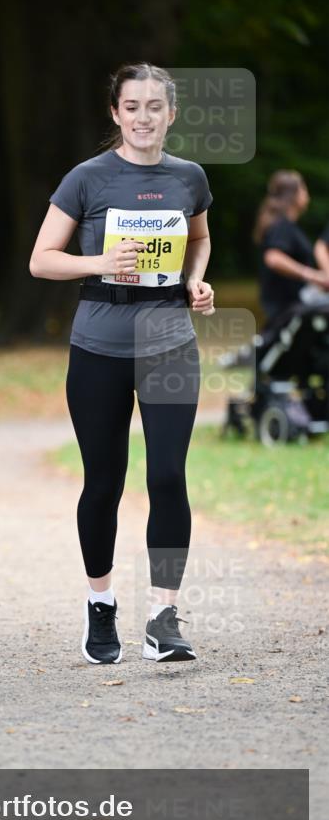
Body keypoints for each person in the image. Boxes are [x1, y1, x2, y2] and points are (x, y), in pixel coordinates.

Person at [30, 62, 215, 665]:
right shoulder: (87, 178)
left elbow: (199, 238)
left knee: (167, 477)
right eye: (132, 106)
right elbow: (41, 259)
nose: (143, 117)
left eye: (154, 106)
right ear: (116, 113)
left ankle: (163, 617)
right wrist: (100, 264)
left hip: (170, 343)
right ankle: (101, 603)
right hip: (98, 349)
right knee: (104, 482)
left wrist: (195, 280)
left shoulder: (189, 177)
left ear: (171, 114)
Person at [253, 170, 329, 327]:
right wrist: (313, 276)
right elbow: (273, 257)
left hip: (293, 304)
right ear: (293, 195)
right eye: (304, 189)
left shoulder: (286, 226)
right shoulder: (283, 226)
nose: (307, 195)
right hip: (287, 308)